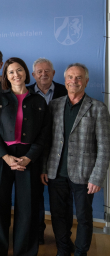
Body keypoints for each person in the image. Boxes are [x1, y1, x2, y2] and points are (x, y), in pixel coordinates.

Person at [42, 63, 110, 256]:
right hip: (56, 172)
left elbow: (105, 147)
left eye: (79, 78)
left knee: (84, 218)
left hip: (85, 174)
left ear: (86, 81)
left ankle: (81, 252)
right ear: (65, 81)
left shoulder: (98, 108)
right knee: (58, 216)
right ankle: (63, 249)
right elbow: (47, 141)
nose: (74, 81)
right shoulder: (54, 105)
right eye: (70, 77)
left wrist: (97, 177)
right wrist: (44, 167)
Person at [0, 57, 50, 256]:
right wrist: (5, 156)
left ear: (25, 73)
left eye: (19, 70)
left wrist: (29, 157)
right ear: (6, 76)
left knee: (28, 208)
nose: (16, 75)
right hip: (2, 157)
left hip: (29, 158)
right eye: (11, 72)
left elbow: (44, 134)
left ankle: (25, 251)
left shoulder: (38, 101)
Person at [27, 58, 67, 245]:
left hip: (58, 152)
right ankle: (37, 234)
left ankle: (63, 240)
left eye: (47, 71)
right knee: (34, 198)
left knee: (59, 201)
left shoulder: (65, 91)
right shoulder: (25, 92)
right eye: (39, 71)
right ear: (33, 75)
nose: (44, 74)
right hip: (31, 152)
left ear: (53, 73)